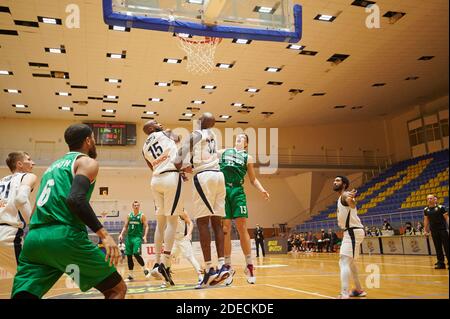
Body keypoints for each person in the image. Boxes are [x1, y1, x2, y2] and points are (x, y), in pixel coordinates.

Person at [11, 124, 126, 299]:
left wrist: (36, 235)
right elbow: (75, 199)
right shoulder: (85, 162)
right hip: (64, 237)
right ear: (88, 140)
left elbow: (35, 210)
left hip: (34, 239)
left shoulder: (51, 168)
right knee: (116, 289)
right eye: (93, 138)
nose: (94, 142)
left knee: (25, 294)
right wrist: (104, 235)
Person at [173, 112, 229, 288]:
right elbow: (201, 160)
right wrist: (189, 168)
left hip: (204, 178)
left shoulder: (196, 134)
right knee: (217, 223)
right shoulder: (213, 135)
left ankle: (209, 269)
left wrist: (179, 169)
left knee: (203, 223)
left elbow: (177, 159)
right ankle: (221, 265)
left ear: (201, 122)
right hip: (219, 177)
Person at [219, 133, 270, 285]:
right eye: (238, 137)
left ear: (246, 144)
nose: (239, 138)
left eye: (243, 138)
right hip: (223, 191)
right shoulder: (223, 152)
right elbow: (207, 155)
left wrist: (262, 189)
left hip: (237, 192)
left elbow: (253, 179)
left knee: (242, 228)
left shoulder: (248, 157)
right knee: (225, 229)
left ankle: (249, 265)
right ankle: (228, 266)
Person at [142, 120, 183, 286]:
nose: (159, 123)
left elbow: (151, 166)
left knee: (160, 224)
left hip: (155, 179)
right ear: (151, 128)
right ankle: (164, 263)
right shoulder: (165, 132)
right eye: (155, 122)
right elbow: (179, 138)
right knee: (173, 221)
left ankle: (157, 262)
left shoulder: (143, 148)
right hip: (170, 177)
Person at [0, 152, 38, 277]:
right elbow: (21, 199)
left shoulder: (2, 181)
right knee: (27, 279)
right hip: (9, 235)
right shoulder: (28, 176)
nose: (33, 163)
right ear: (20, 164)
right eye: (29, 159)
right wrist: (34, 226)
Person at [333, 175, 367, 299]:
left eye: (338, 180)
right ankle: (359, 290)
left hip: (352, 232)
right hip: (352, 232)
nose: (334, 182)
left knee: (343, 261)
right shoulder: (341, 197)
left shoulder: (345, 195)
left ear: (344, 184)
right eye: (334, 180)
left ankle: (344, 293)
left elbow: (351, 203)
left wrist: (352, 200)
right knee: (351, 264)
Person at [118, 201, 150, 281]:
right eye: (135, 205)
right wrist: (121, 234)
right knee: (128, 256)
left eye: (137, 205)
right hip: (129, 237)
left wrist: (145, 236)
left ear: (139, 206)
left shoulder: (142, 216)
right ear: (132, 206)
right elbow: (125, 226)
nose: (136, 206)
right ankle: (131, 275)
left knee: (136, 253)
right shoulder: (129, 215)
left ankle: (145, 269)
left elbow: (147, 226)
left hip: (137, 238)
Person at [171, 209, 203, 285]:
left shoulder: (182, 211)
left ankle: (200, 276)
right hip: (175, 240)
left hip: (183, 239)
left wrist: (189, 234)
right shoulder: (170, 211)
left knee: (190, 257)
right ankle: (167, 278)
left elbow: (191, 223)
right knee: (168, 257)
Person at [423, 194, 449, 269]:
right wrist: (425, 230)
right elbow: (426, 220)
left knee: (447, 246)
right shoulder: (426, 210)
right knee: (438, 247)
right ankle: (441, 263)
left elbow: (447, 218)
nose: (429, 200)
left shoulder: (441, 208)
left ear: (435, 199)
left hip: (442, 230)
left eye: (431, 198)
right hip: (434, 231)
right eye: (428, 199)